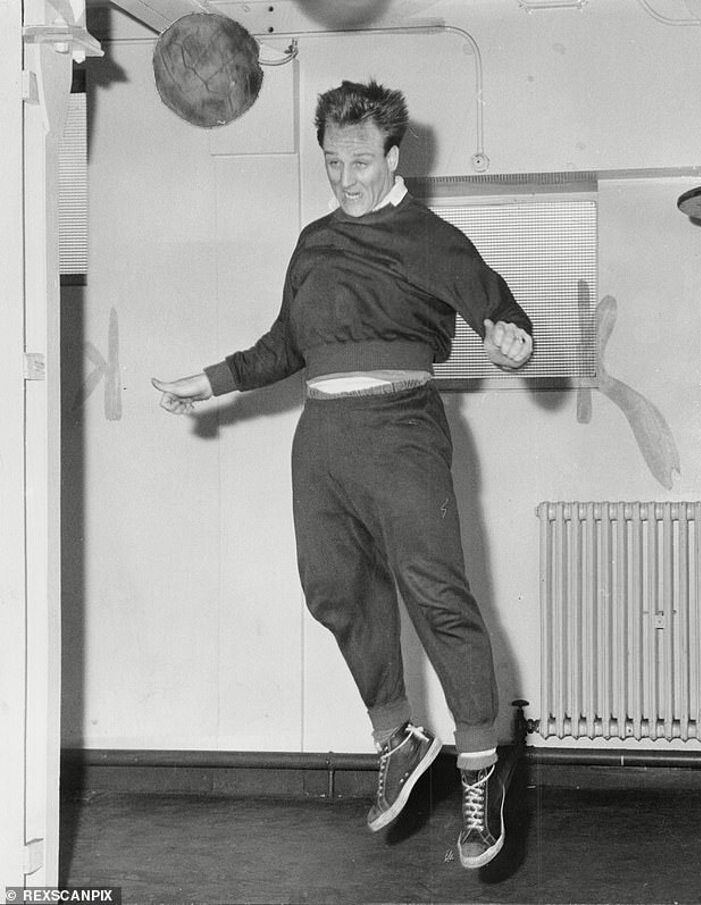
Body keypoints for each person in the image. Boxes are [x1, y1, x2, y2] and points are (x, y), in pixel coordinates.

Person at [152, 79, 533, 870]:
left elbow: (499, 311)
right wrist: (209, 381)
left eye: (361, 161)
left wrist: (511, 338)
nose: (346, 177)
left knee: (436, 592)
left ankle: (480, 767)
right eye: (333, 162)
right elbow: (283, 345)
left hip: (402, 427)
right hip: (321, 435)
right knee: (332, 587)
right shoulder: (313, 242)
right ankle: (398, 737)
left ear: (393, 157)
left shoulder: (431, 237)